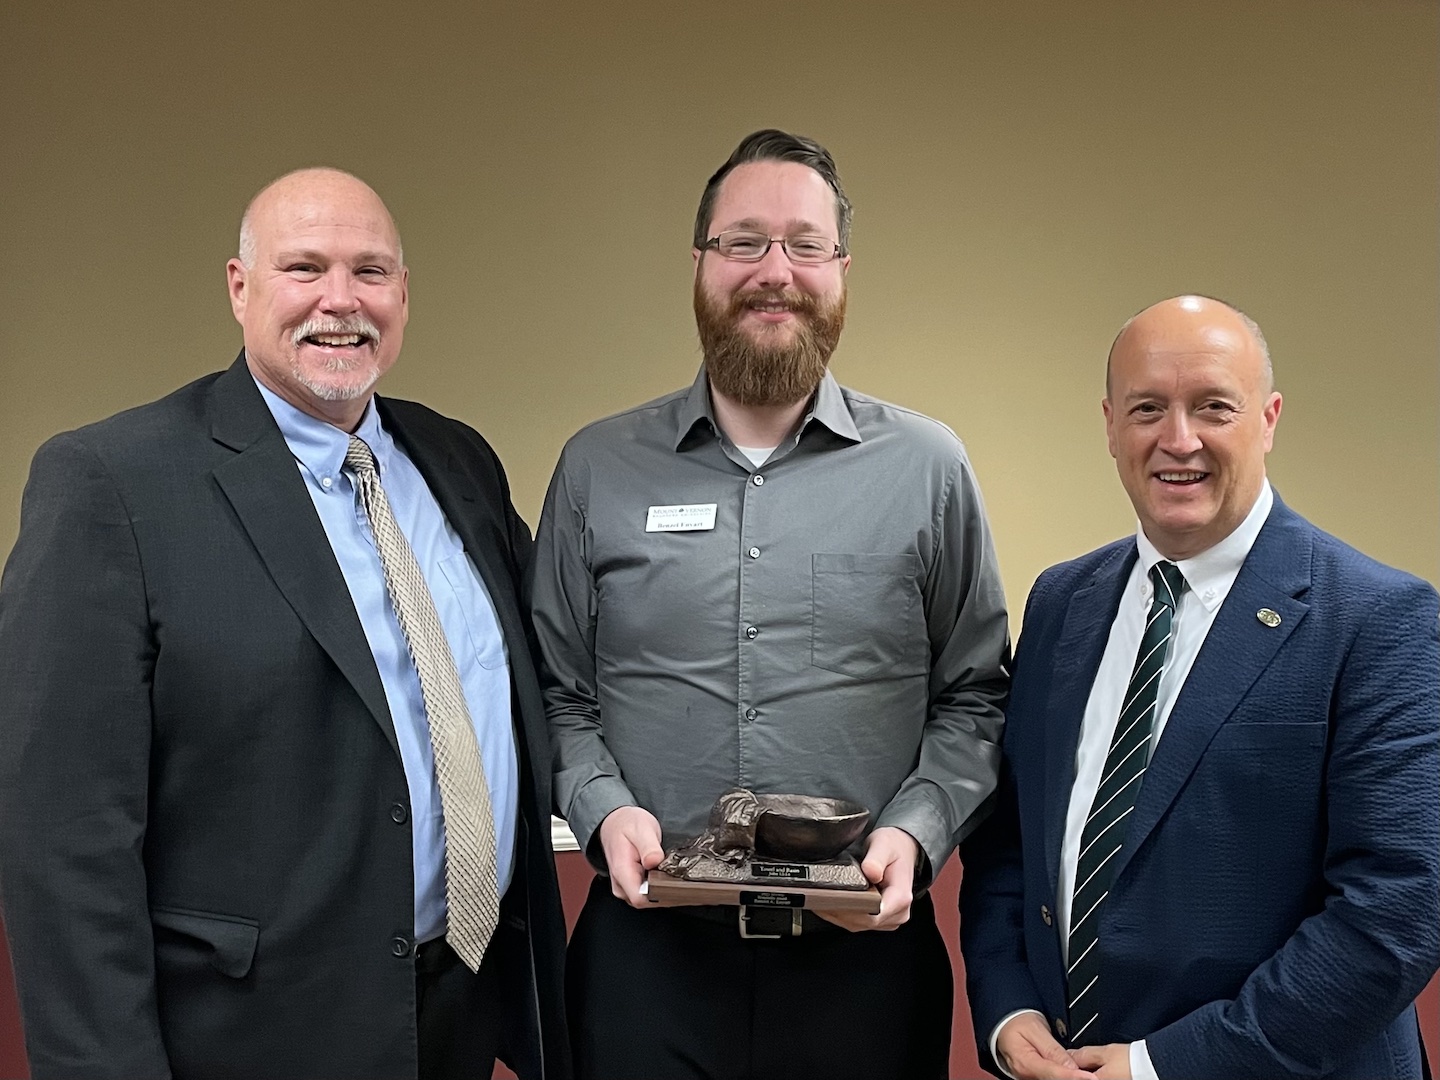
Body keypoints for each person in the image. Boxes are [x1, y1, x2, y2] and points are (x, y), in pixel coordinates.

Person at [0, 168, 569, 1080]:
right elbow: (62, 842)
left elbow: (546, 674)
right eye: (304, 268)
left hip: (463, 1007)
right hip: (253, 1037)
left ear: (405, 294)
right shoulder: (113, 484)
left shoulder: (457, 459)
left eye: (370, 272)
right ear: (239, 288)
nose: (340, 301)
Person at [530, 128, 1011, 1080]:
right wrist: (601, 809)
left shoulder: (928, 470)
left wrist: (916, 829)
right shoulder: (596, 469)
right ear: (701, 264)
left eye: (804, 244)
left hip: (863, 963)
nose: (773, 271)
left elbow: (976, 696)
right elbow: (555, 693)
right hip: (646, 959)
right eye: (743, 242)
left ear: (841, 270)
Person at [959, 295, 1440, 1080]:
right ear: (1111, 424)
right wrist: (1008, 1012)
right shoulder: (1061, 602)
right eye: (1148, 408)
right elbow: (1009, 842)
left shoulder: (1379, 619)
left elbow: (1396, 914)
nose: (1178, 440)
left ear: (1269, 418)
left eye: (1213, 406)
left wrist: (1163, 1067)